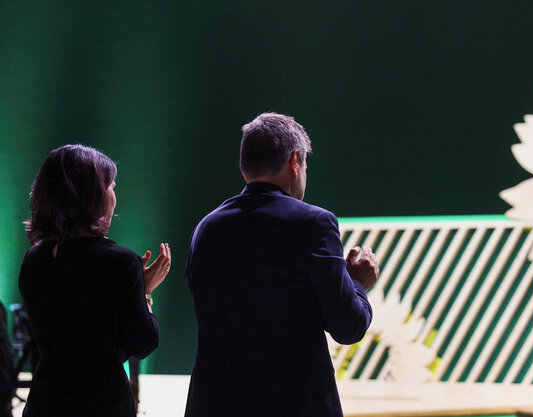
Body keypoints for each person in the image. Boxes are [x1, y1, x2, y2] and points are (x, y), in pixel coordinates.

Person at [185, 113, 377, 417]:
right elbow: (348, 326)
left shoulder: (206, 228)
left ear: (245, 168)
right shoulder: (314, 223)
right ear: (295, 160)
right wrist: (357, 283)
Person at [18, 144, 171, 417]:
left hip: (45, 404)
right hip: (103, 406)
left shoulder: (33, 260)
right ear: (92, 196)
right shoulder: (121, 262)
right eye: (111, 186)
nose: (114, 196)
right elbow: (142, 343)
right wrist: (144, 293)